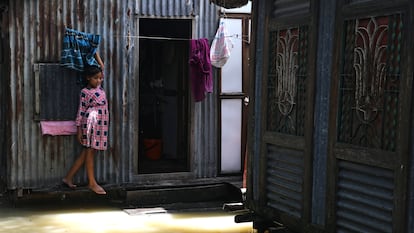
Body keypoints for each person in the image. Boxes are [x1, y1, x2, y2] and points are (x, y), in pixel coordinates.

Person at [62, 65, 109, 195]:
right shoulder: (85, 92)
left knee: (88, 152)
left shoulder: (99, 87)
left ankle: (68, 177)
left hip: (101, 123)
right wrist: (79, 130)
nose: (99, 80)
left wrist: (98, 62)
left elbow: (101, 66)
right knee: (89, 151)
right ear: (88, 78)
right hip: (90, 123)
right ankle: (92, 183)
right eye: (95, 78)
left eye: (100, 78)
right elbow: (81, 111)